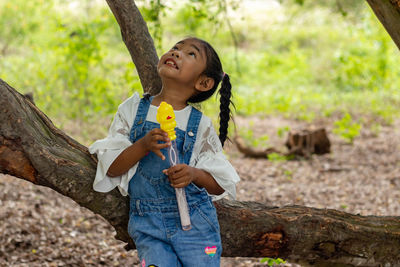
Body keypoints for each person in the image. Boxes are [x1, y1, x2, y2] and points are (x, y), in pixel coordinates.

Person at [89, 37, 240, 267]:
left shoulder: (200, 125)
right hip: (148, 226)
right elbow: (112, 168)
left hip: (197, 227)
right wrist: (142, 146)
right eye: (176, 48)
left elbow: (220, 184)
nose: (177, 52)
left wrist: (194, 174)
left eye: (191, 54)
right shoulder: (132, 109)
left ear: (204, 83)